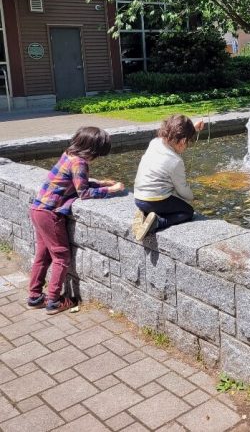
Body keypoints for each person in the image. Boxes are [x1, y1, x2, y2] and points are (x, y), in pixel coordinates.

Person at [27, 127, 125, 315]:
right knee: (61, 256)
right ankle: (54, 301)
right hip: (50, 213)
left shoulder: (68, 155)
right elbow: (84, 193)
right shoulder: (80, 162)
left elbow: (75, 183)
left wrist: (100, 183)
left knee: (43, 255)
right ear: (93, 149)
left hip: (38, 208)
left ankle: (34, 297)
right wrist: (110, 190)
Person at [132, 114, 203, 241]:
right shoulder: (175, 161)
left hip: (138, 198)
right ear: (182, 141)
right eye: (187, 142)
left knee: (168, 196)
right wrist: (193, 197)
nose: (186, 146)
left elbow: (175, 132)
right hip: (154, 201)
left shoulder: (155, 142)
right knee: (187, 212)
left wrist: (193, 129)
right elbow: (182, 189)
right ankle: (157, 222)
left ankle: (144, 213)